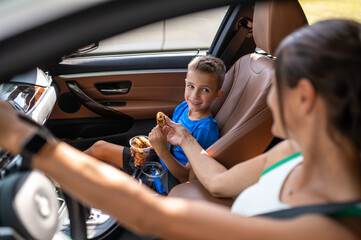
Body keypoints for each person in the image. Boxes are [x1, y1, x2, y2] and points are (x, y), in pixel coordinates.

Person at [0, 19, 360, 239]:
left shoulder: (330, 229)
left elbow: (152, 216)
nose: (271, 99)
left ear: (305, 97)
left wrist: (25, 139)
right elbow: (218, 181)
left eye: (278, 86)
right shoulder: (293, 152)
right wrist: (182, 137)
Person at [85, 55, 225, 193]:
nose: (194, 95)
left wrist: (161, 150)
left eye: (205, 90)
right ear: (185, 83)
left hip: (163, 181)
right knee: (99, 147)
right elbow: (169, 140)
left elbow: (186, 178)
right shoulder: (184, 107)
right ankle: (64, 173)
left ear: (217, 95)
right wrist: (150, 147)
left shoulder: (205, 130)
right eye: (191, 86)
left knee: (105, 177)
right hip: (155, 160)